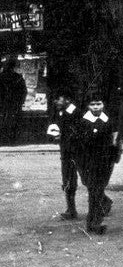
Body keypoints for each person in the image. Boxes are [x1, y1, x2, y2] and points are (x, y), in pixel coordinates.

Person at [75, 91, 120, 235]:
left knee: (98, 191)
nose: (95, 107)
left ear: (103, 105)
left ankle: (94, 221)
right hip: (88, 163)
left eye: (98, 104)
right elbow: (79, 145)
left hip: (104, 162)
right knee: (94, 192)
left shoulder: (108, 121)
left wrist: (113, 158)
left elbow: (115, 142)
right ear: (88, 106)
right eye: (92, 104)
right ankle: (94, 222)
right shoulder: (83, 122)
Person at [46, 89, 81, 219]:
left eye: (58, 99)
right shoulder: (62, 112)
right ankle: (71, 209)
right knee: (68, 179)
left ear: (67, 99)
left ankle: (103, 202)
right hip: (66, 151)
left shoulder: (75, 112)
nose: (56, 102)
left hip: (77, 152)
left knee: (87, 179)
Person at [0, 56, 26, 145]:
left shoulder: (1, 77)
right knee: (14, 121)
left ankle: (4, 138)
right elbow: (24, 92)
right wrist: (20, 102)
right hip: (14, 104)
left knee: (4, 120)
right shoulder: (18, 78)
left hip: (3, 104)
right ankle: (12, 139)